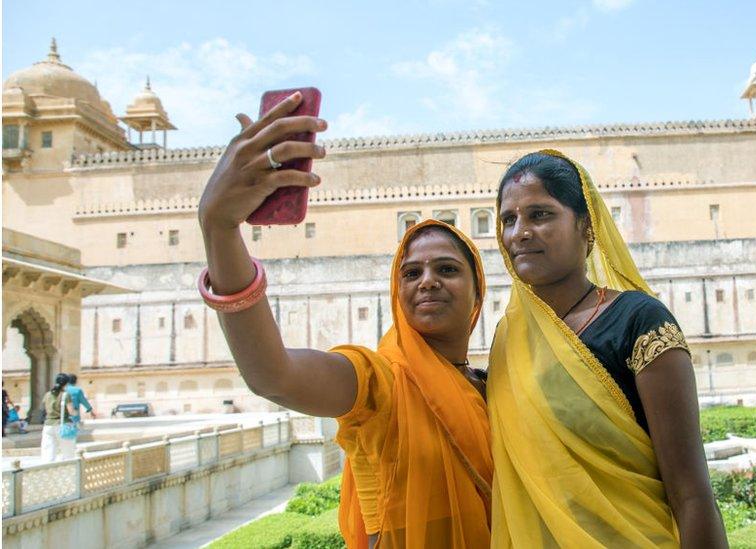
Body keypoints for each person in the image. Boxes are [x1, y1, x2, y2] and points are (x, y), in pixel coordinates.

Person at [197, 92, 492, 548]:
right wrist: (218, 227)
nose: (427, 281)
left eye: (448, 269)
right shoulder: (380, 381)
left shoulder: (490, 387)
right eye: (411, 273)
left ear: (478, 292)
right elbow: (273, 375)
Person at [489, 150, 727, 547]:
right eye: (508, 220)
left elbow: (691, 494)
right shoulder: (509, 338)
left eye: (541, 214)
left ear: (586, 225)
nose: (520, 233)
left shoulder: (638, 321)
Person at [40, 373, 78, 462]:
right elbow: (71, 411)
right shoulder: (65, 395)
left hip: (48, 426)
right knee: (68, 454)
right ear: (66, 384)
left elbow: (45, 409)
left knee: (48, 454)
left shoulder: (47, 395)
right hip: (63, 426)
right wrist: (76, 412)